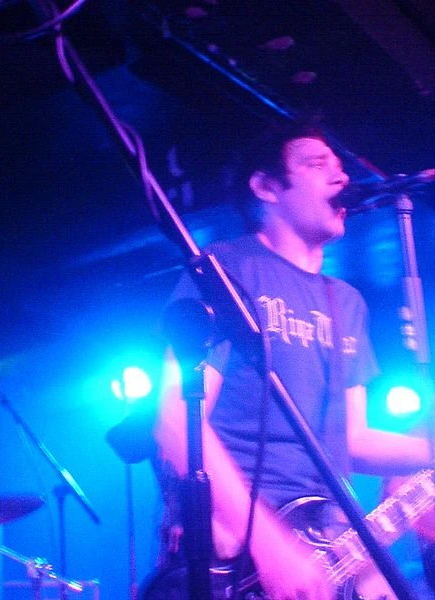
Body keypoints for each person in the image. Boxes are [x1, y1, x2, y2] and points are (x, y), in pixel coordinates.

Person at [148, 119, 434, 600]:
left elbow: (352, 439)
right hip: (237, 555)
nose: (341, 177)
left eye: (340, 167)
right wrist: (267, 542)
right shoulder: (227, 269)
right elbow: (175, 421)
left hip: (324, 537)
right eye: (318, 164)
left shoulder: (347, 303)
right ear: (266, 187)